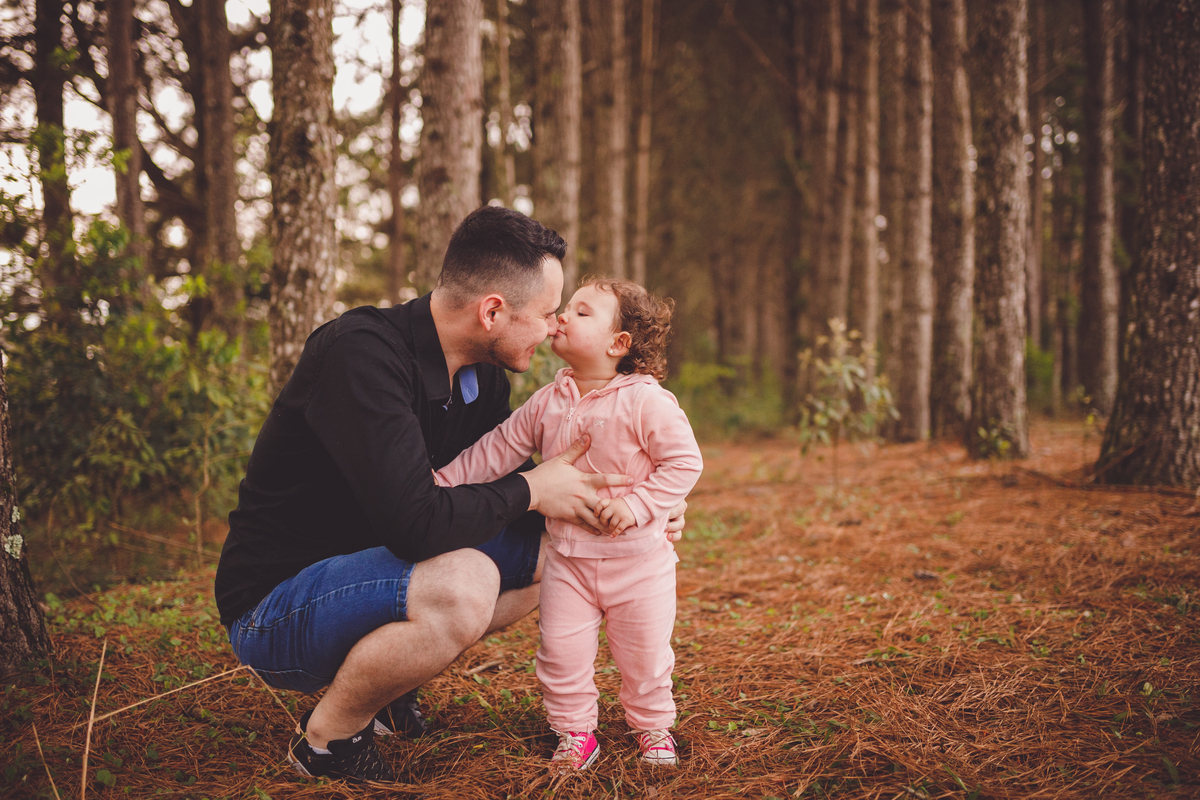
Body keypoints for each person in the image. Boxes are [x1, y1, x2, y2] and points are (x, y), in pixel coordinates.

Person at [213, 207, 686, 785]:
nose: (551, 328)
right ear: (492, 311)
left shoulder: (483, 375)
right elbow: (421, 521)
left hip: (375, 568)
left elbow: (515, 479)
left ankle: (384, 687)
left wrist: (639, 508)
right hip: (279, 605)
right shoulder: (361, 354)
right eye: (543, 315)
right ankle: (327, 742)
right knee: (465, 581)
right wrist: (535, 489)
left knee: (568, 553)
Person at [434, 278, 703, 769]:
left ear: (617, 343)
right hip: (568, 562)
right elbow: (497, 450)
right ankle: (576, 733)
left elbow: (684, 463)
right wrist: (442, 482)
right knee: (561, 654)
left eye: (581, 312)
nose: (561, 316)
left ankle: (652, 728)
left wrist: (640, 505)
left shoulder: (646, 401)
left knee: (644, 658)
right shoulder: (547, 401)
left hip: (640, 565)